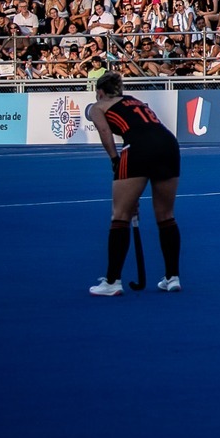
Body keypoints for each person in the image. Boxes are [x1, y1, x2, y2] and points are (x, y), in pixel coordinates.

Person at [86, 70, 183, 295]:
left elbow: (104, 131)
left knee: (120, 214)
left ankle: (112, 281)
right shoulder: (134, 101)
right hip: (169, 145)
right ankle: (172, 277)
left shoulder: (98, 106)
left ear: (100, 92)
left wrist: (114, 160)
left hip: (138, 148)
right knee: (166, 215)